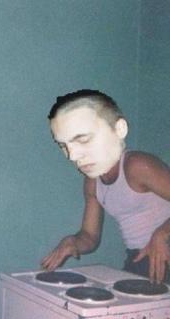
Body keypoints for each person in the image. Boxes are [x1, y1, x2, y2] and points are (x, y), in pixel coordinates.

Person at [41, 89, 170, 284]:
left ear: (119, 130)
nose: (72, 156)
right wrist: (73, 242)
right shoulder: (92, 182)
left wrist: (162, 234)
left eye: (83, 139)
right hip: (140, 256)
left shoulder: (136, 165)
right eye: (64, 146)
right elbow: (90, 236)